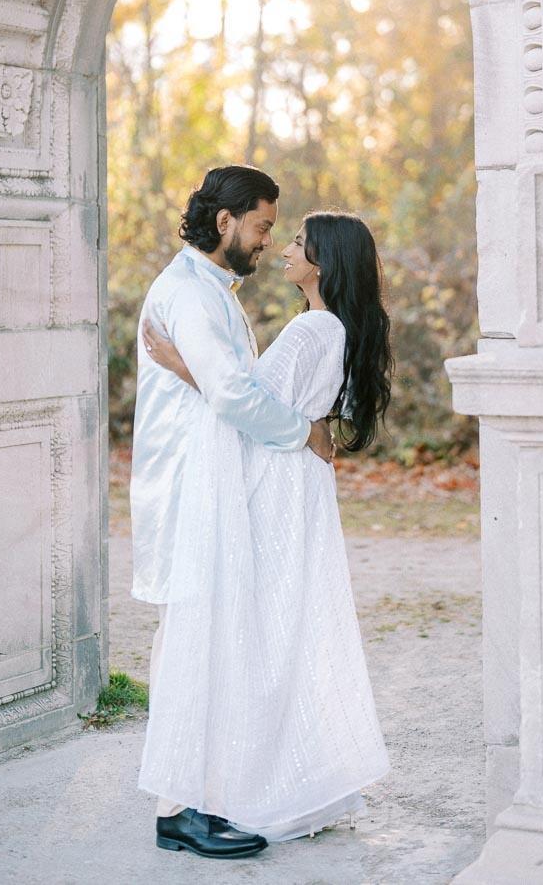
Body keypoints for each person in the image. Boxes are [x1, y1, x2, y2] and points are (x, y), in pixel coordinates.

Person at [139, 207, 394, 852]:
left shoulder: (314, 331)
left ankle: (231, 787)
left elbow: (247, 402)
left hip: (276, 487)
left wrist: (175, 362)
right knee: (276, 630)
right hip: (294, 483)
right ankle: (257, 777)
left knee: (255, 631)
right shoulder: (330, 328)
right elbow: (268, 402)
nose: (283, 249)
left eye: (299, 242)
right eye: (277, 234)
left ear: (324, 262)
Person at [131, 165, 334, 860]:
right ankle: (182, 808)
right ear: (226, 222)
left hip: (210, 483)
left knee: (197, 642)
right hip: (191, 488)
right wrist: (301, 431)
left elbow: (233, 385)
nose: (265, 241)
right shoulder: (187, 293)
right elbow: (233, 394)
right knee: (189, 643)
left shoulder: (211, 290)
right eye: (261, 226)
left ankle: (193, 799)